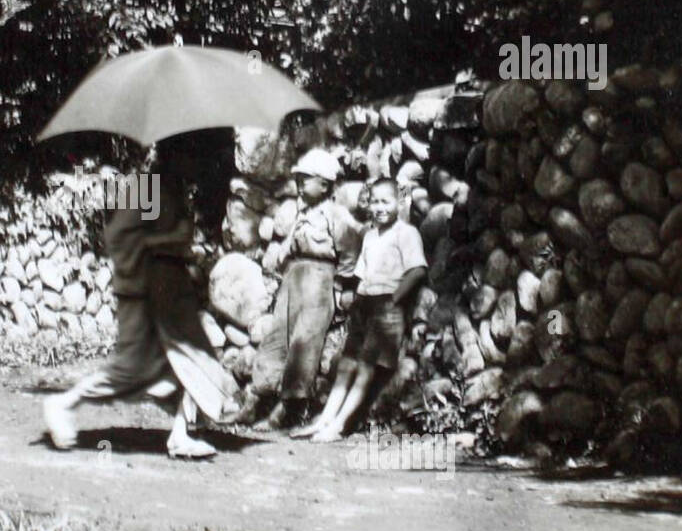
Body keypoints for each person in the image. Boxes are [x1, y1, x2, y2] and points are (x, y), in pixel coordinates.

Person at [42, 138, 234, 459]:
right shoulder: (148, 187)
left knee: (191, 359)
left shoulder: (170, 190)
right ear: (174, 157)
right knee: (131, 369)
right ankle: (63, 403)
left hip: (169, 291)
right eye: (189, 156)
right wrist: (174, 239)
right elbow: (126, 237)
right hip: (144, 292)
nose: (194, 166)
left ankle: (179, 433)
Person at [292, 178, 425, 442]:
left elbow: (418, 270)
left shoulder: (406, 233)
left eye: (385, 201)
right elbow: (362, 272)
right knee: (347, 364)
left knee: (366, 367)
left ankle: (339, 425)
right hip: (365, 304)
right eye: (374, 201)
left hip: (387, 305)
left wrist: (396, 298)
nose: (379, 208)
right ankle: (326, 419)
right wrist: (355, 295)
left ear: (398, 203)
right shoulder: (370, 236)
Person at [251, 148, 362, 431]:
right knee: (278, 335)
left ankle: (288, 407)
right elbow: (289, 248)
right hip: (294, 278)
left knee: (305, 341)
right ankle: (258, 397)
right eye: (298, 178)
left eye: (306, 178)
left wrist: (340, 287)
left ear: (325, 184)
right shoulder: (303, 213)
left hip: (320, 280)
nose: (300, 184)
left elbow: (349, 255)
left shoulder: (337, 216)